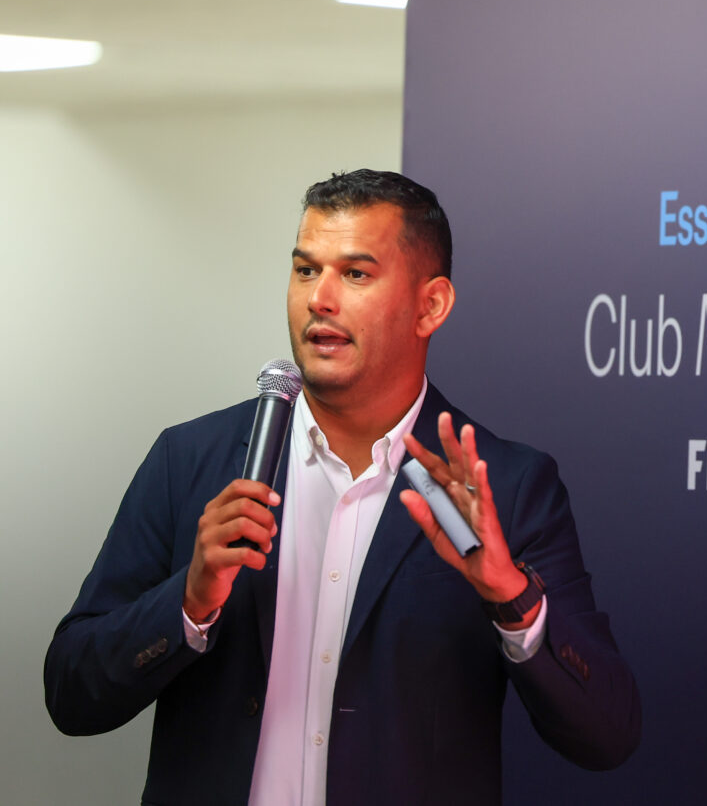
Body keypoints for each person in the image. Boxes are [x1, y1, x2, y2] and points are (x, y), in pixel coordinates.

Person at [44, 169, 641, 805]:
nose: (319, 299)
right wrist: (188, 603)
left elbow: (607, 735)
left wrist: (510, 595)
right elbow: (72, 694)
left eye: (355, 274)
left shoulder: (506, 487)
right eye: (305, 270)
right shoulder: (191, 460)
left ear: (431, 306)